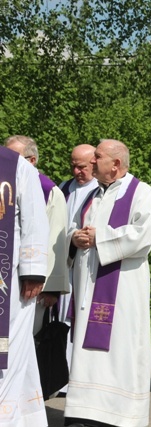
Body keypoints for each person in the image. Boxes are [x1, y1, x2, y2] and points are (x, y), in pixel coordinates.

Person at [64, 139, 151, 427]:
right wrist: (74, 238)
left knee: (120, 348)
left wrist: (100, 238)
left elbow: (145, 234)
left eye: (98, 157)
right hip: (87, 284)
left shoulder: (142, 193)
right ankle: (82, 412)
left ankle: (119, 415)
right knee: (85, 351)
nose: (92, 162)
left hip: (123, 289)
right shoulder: (92, 194)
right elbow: (72, 226)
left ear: (116, 164)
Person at [0, 145, 50, 425]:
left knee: (8, 353)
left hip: (8, 284)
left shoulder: (16, 166)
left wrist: (33, 271)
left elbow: (34, 218)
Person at [4, 136, 69, 336]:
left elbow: (54, 242)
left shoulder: (49, 191)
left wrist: (51, 287)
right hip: (6, 271)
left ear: (31, 161)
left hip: (31, 282)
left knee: (24, 337)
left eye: (13, 156)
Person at [58, 144, 99, 395]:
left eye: (82, 166)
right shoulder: (62, 188)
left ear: (94, 163)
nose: (76, 171)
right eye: (73, 165)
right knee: (62, 318)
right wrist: (71, 237)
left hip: (89, 266)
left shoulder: (101, 191)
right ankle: (61, 376)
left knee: (81, 320)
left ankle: (81, 376)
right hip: (64, 262)